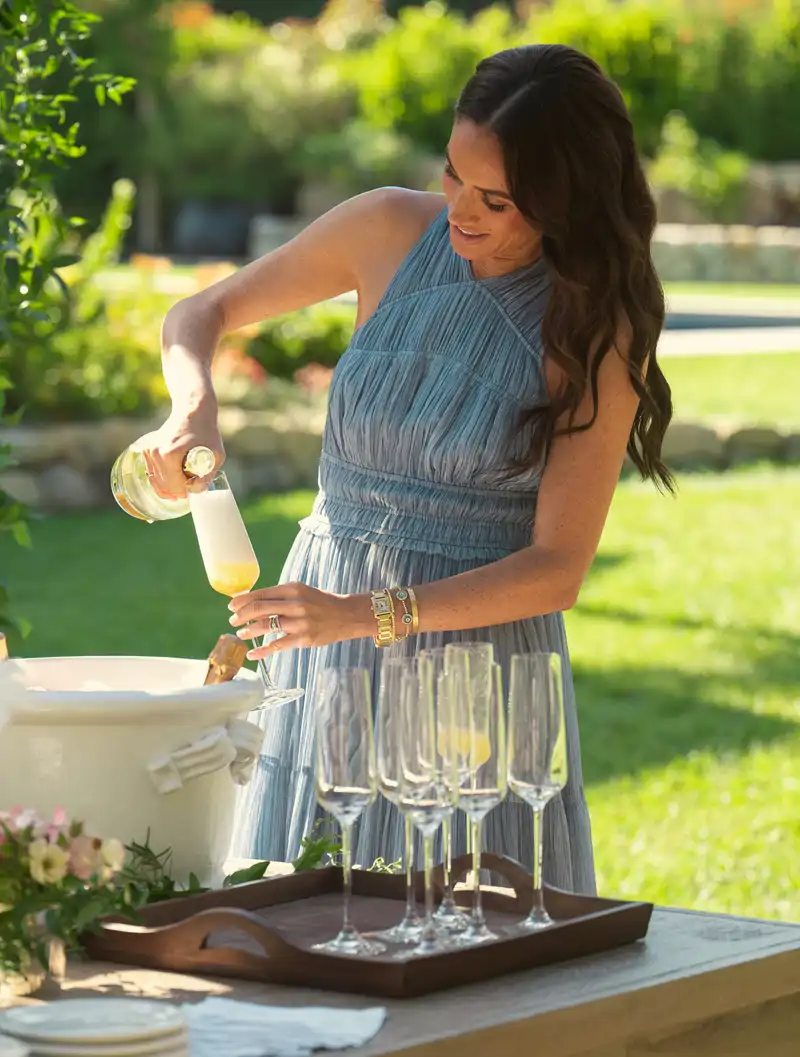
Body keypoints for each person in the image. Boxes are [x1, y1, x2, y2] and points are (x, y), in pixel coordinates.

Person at [143, 44, 673, 892]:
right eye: (454, 174)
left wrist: (367, 615)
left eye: (495, 199)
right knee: (299, 924)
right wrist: (192, 407)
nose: (460, 209)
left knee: (461, 957)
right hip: (321, 638)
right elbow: (200, 311)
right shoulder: (387, 230)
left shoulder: (591, 328)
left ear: (563, 199)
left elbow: (557, 570)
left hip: (469, 673)